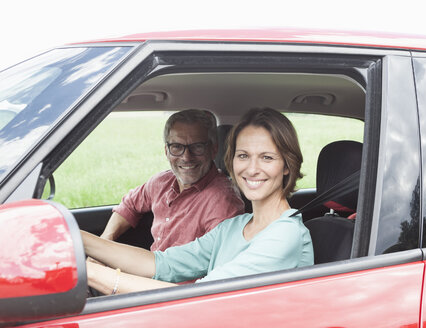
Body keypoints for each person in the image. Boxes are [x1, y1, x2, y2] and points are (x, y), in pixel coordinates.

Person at [82, 108, 314, 294]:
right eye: (243, 155)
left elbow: (202, 296)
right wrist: (77, 238)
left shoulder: (286, 234)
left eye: (267, 157)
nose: (252, 169)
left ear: (287, 165)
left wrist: (87, 273)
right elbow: (161, 264)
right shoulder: (234, 227)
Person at [100, 109, 244, 251]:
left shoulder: (223, 201)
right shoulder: (161, 182)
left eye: (197, 147)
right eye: (176, 147)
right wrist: (105, 241)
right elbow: (129, 205)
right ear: (166, 151)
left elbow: (213, 261)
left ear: (213, 150)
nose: (186, 157)